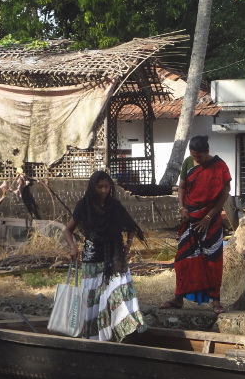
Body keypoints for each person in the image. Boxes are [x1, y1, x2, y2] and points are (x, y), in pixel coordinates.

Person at [63, 170, 147, 342]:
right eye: (100, 187)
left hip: (115, 259)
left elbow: (132, 227)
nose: (103, 190)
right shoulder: (84, 205)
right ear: (93, 187)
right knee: (94, 299)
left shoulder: (114, 206)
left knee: (119, 294)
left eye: (107, 187)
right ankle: (96, 338)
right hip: (92, 259)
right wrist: (73, 247)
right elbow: (67, 229)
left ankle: (124, 333)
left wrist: (127, 247)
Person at [161, 135, 232, 313]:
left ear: (206, 152)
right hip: (190, 218)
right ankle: (178, 298)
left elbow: (224, 194)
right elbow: (182, 187)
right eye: (193, 156)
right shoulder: (187, 163)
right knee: (184, 259)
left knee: (213, 259)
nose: (196, 160)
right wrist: (182, 207)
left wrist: (208, 217)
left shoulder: (220, 166)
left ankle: (216, 301)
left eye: (199, 157)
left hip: (211, 220)